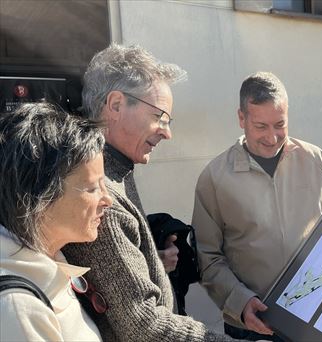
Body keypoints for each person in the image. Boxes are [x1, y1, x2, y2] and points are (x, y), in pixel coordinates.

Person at [61, 44, 233, 341]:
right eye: (159, 117)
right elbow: (144, 326)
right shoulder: (103, 197)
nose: (167, 132)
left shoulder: (116, 169)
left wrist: (149, 256)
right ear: (115, 105)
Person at [192, 72, 322, 340]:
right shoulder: (214, 177)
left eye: (280, 124)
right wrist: (240, 303)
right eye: (261, 126)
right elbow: (208, 257)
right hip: (251, 324)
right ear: (241, 118)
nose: (272, 137)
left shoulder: (316, 159)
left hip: (314, 316)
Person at [0, 103, 112, 341]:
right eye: (92, 187)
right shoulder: (17, 308)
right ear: (39, 196)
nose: (107, 200)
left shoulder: (50, 262)